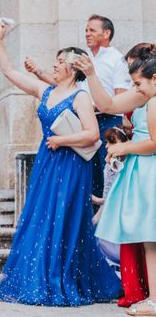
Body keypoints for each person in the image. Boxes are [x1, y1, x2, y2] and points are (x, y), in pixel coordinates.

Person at [0, 22, 120, 306]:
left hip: (72, 164)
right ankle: (38, 276)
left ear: (74, 69)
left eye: (61, 62)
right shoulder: (45, 91)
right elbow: (11, 73)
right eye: (56, 60)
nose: (55, 65)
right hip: (47, 163)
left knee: (65, 218)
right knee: (41, 216)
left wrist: (61, 141)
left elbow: (92, 134)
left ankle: (62, 277)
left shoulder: (81, 96)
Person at [74, 45, 156, 315]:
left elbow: (154, 143)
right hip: (142, 170)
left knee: (150, 237)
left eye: (137, 83)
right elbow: (106, 104)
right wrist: (92, 75)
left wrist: (124, 147)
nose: (135, 88)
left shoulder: (153, 101)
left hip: (148, 168)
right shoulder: (147, 97)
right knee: (147, 237)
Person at [25, 15, 132, 200]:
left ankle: (104, 217)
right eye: (86, 30)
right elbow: (64, 84)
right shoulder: (83, 58)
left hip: (107, 121)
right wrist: (37, 72)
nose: (87, 34)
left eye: (92, 30)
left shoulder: (117, 60)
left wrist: (93, 104)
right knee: (88, 174)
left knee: (107, 171)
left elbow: (121, 97)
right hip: (80, 123)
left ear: (106, 33)